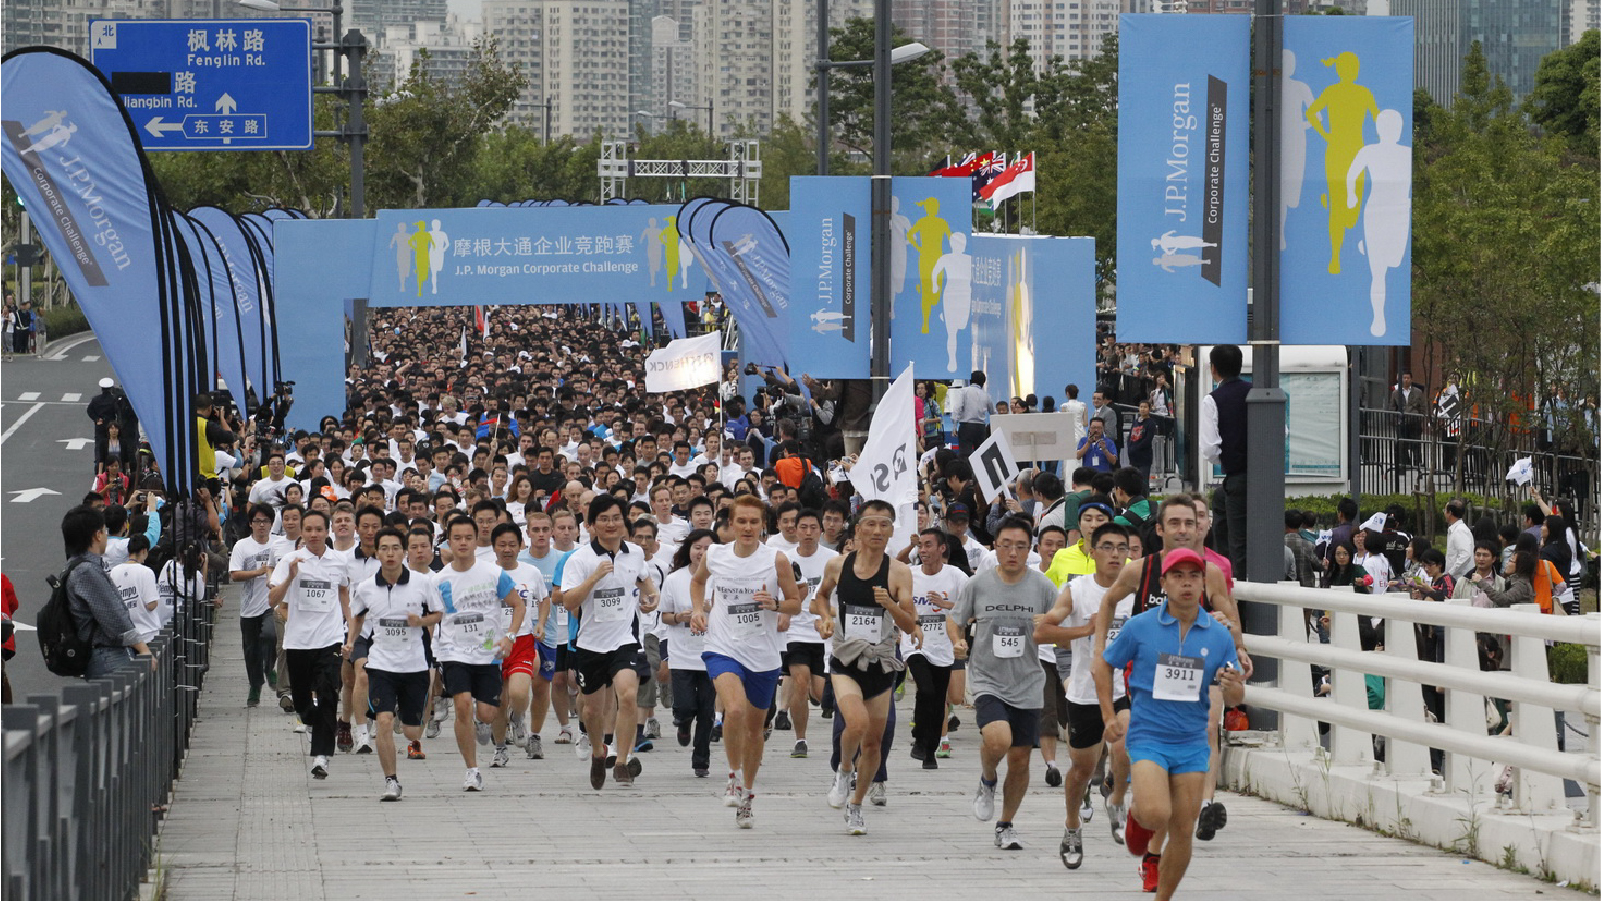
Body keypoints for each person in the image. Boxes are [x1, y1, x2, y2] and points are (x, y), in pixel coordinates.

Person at [1098, 547, 1245, 901]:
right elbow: (1105, 665)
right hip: (1149, 736)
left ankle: (1162, 897)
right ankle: (1136, 814)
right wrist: (1107, 716)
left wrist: (1233, 686)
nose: (1187, 584)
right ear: (1164, 582)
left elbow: (1237, 695)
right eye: (1178, 576)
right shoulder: (1140, 626)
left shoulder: (1218, 634)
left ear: (1203, 583)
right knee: (1155, 811)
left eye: (1194, 576)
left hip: (1192, 743)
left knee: (1182, 829)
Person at [690, 495, 803, 828]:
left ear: (763, 524)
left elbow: (796, 603)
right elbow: (697, 582)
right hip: (723, 645)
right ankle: (733, 774)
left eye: (755, 522)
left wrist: (777, 604)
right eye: (742, 521)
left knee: (755, 730)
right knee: (734, 709)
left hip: (763, 654)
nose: (748, 527)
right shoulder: (715, 555)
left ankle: (747, 796)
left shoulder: (777, 559)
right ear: (730, 524)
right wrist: (698, 610)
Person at [952, 515, 1059, 851]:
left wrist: (1049, 625)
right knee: (997, 740)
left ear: (1031, 550)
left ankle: (1006, 823)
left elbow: (1057, 626)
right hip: (987, 677)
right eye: (1006, 545)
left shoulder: (1042, 586)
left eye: (1021, 546)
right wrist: (957, 642)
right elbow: (954, 621)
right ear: (995, 546)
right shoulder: (978, 584)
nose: (1013, 551)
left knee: (1021, 759)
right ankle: (987, 780)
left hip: (1028, 681)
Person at [811, 499, 918, 835]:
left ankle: (856, 806)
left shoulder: (899, 572)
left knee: (873, 743)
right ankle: (844, 769)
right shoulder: (838, 565)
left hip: (882, 662)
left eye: (884, 524)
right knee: (854, 723)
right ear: (857, 529)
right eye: (870, 523)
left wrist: (889, 604)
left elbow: (911, 622)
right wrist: (826, 618)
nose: (877, 530)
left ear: (890, 532)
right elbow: (820, 598)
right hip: (845, 659)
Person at [1037, 522, 1134, 870]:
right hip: (1083, 695)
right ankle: (1072, 826)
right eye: (1107, 547)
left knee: (1124, 745)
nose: (1115, 555)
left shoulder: (1136, 594)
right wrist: (1088, 629)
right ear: (1092, 552)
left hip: (1122, 690)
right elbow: (1041, 631)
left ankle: (1117, 800)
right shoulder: (1077, 590)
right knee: (1081, 770)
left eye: (1122, 548)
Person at [560, 495, 661, 790]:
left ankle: (621, 761)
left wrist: (651, 598)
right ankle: (596, 751)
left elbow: (645, 581)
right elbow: (568, 602)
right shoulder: (580, 559)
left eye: (616, 518)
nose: (611, 524)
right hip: (590, 644)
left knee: (628, 696)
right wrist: (593, 579)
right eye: (603, 519)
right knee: (592, 710)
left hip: (624, 639)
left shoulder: (634, 554)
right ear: (592, 524)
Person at [346, 527, 441, 801]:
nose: (390, 553)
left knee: (412, 731)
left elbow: (438, 614)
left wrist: (420, 622)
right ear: (377, 552)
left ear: (404, 551)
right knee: (384, 721)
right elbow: (358, 616)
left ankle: (405, 712)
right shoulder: (366, 588)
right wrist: (351, 640)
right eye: (384, 548)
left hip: (415, 665)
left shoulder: (423, 583)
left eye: (396, 548)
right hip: (382, 664)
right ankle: (391, 781)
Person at [267, 509, 351, 779]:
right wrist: (291, 577)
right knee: (302, 701)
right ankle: (317, 726)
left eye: (319, 529)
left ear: (327, 531)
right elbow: (272, 600)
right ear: (302, 531)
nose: (314, 534)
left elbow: (344, 592)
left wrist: (350, 630)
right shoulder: (290, 560)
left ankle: (321, 757)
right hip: (298, 641)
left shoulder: (339, 561)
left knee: (328, 694)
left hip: (330, 638)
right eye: (309, 529)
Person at [62, 505, 157, 680]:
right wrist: (143, 649)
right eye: (104, 531)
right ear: (97, 535)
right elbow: (114, 616)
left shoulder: (75, 566)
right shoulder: (86, 571)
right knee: (123, 705)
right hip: (107, 656)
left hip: (99, 655)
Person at [905, 528, 970, 768]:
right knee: (927, 689)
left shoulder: (956, 576)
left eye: (928, 545)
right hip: (915, 642)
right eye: (920, 545)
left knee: (940, 698)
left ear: (942, 548)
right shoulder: (909, 575)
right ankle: (920, 739)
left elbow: (970, 610)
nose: (923, 550)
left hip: (945, 645)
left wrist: (946, 604)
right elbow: (901, 604)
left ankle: (929, 751)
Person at [659, 529, 718, 777]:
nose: (701, 553)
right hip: (682, 654)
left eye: (707, 549)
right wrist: (679, 617)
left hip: (712, 653)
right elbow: (664, 616)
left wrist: (711, 609)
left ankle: (701, 760)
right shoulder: (674, 579)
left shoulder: (722, 578)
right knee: (685, 706)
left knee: (707, 710)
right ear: (689, 550)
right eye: (697, 547)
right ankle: (683, 723)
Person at [782, 509, 837, 759]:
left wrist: (827, 617)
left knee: (819, 691)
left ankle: (819, 698)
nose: (807, 532)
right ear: (794, 529)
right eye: (802, 527)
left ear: (821, 530)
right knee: (800, 682)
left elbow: (839, 596)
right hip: (795, 630)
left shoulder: (833, 559)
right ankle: (800, 739)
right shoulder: (783, 559)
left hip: (824, 632)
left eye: (813, 527)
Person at [1199, 344, 1250, 575]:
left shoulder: (1213, 399)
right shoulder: (1257, 392)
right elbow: (1282, 432)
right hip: (1267, 479)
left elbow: (1209, 449)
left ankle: (1240, 598)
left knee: (1238, 543)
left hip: (1237, 476)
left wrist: (1229, 455)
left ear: (1214, 369)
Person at [228, 504, 280, 707]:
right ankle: (255, 686)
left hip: (272, 604)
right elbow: (234, 575)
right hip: (249, 608)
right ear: (250, 524)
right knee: (251, 651)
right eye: (257, 521)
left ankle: (269, 668)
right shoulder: (242, 546)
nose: (261, 525)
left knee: (271, 635)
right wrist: (258, 572)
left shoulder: (278, 544)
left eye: (265, 521)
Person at [950, 371, 991, 458]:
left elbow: (957, 408)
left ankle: (966, 471)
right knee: (981, 455)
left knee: (965, 454)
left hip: (966, 426)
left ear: (970, 380)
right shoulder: (986, 395)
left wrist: (954, 426)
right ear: (983, 383)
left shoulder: (963, 391)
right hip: (980, 428)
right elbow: (993, 412)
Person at [1391, 372, 1426, 471]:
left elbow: (1422, 406)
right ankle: (1404, 463)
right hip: (1402, 421)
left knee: (1416, 443)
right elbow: (1392, 407)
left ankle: (1417, 462)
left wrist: (1420, 417)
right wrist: (1395, 419)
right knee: (1402, 443)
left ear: (1411, 379)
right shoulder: (1396, 393)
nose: (1406, 380)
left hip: (1414, 421)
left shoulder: (1418, 392)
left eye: (1408, 378)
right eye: (1404, 378)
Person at [1443, 499, 1473, 578]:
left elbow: (1465, 555)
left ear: (1450, 513)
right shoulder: (1456, 529)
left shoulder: (1460, 531)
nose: (1444, 513)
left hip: (1460, 579)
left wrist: (1450, 573)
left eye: (1445, 510)